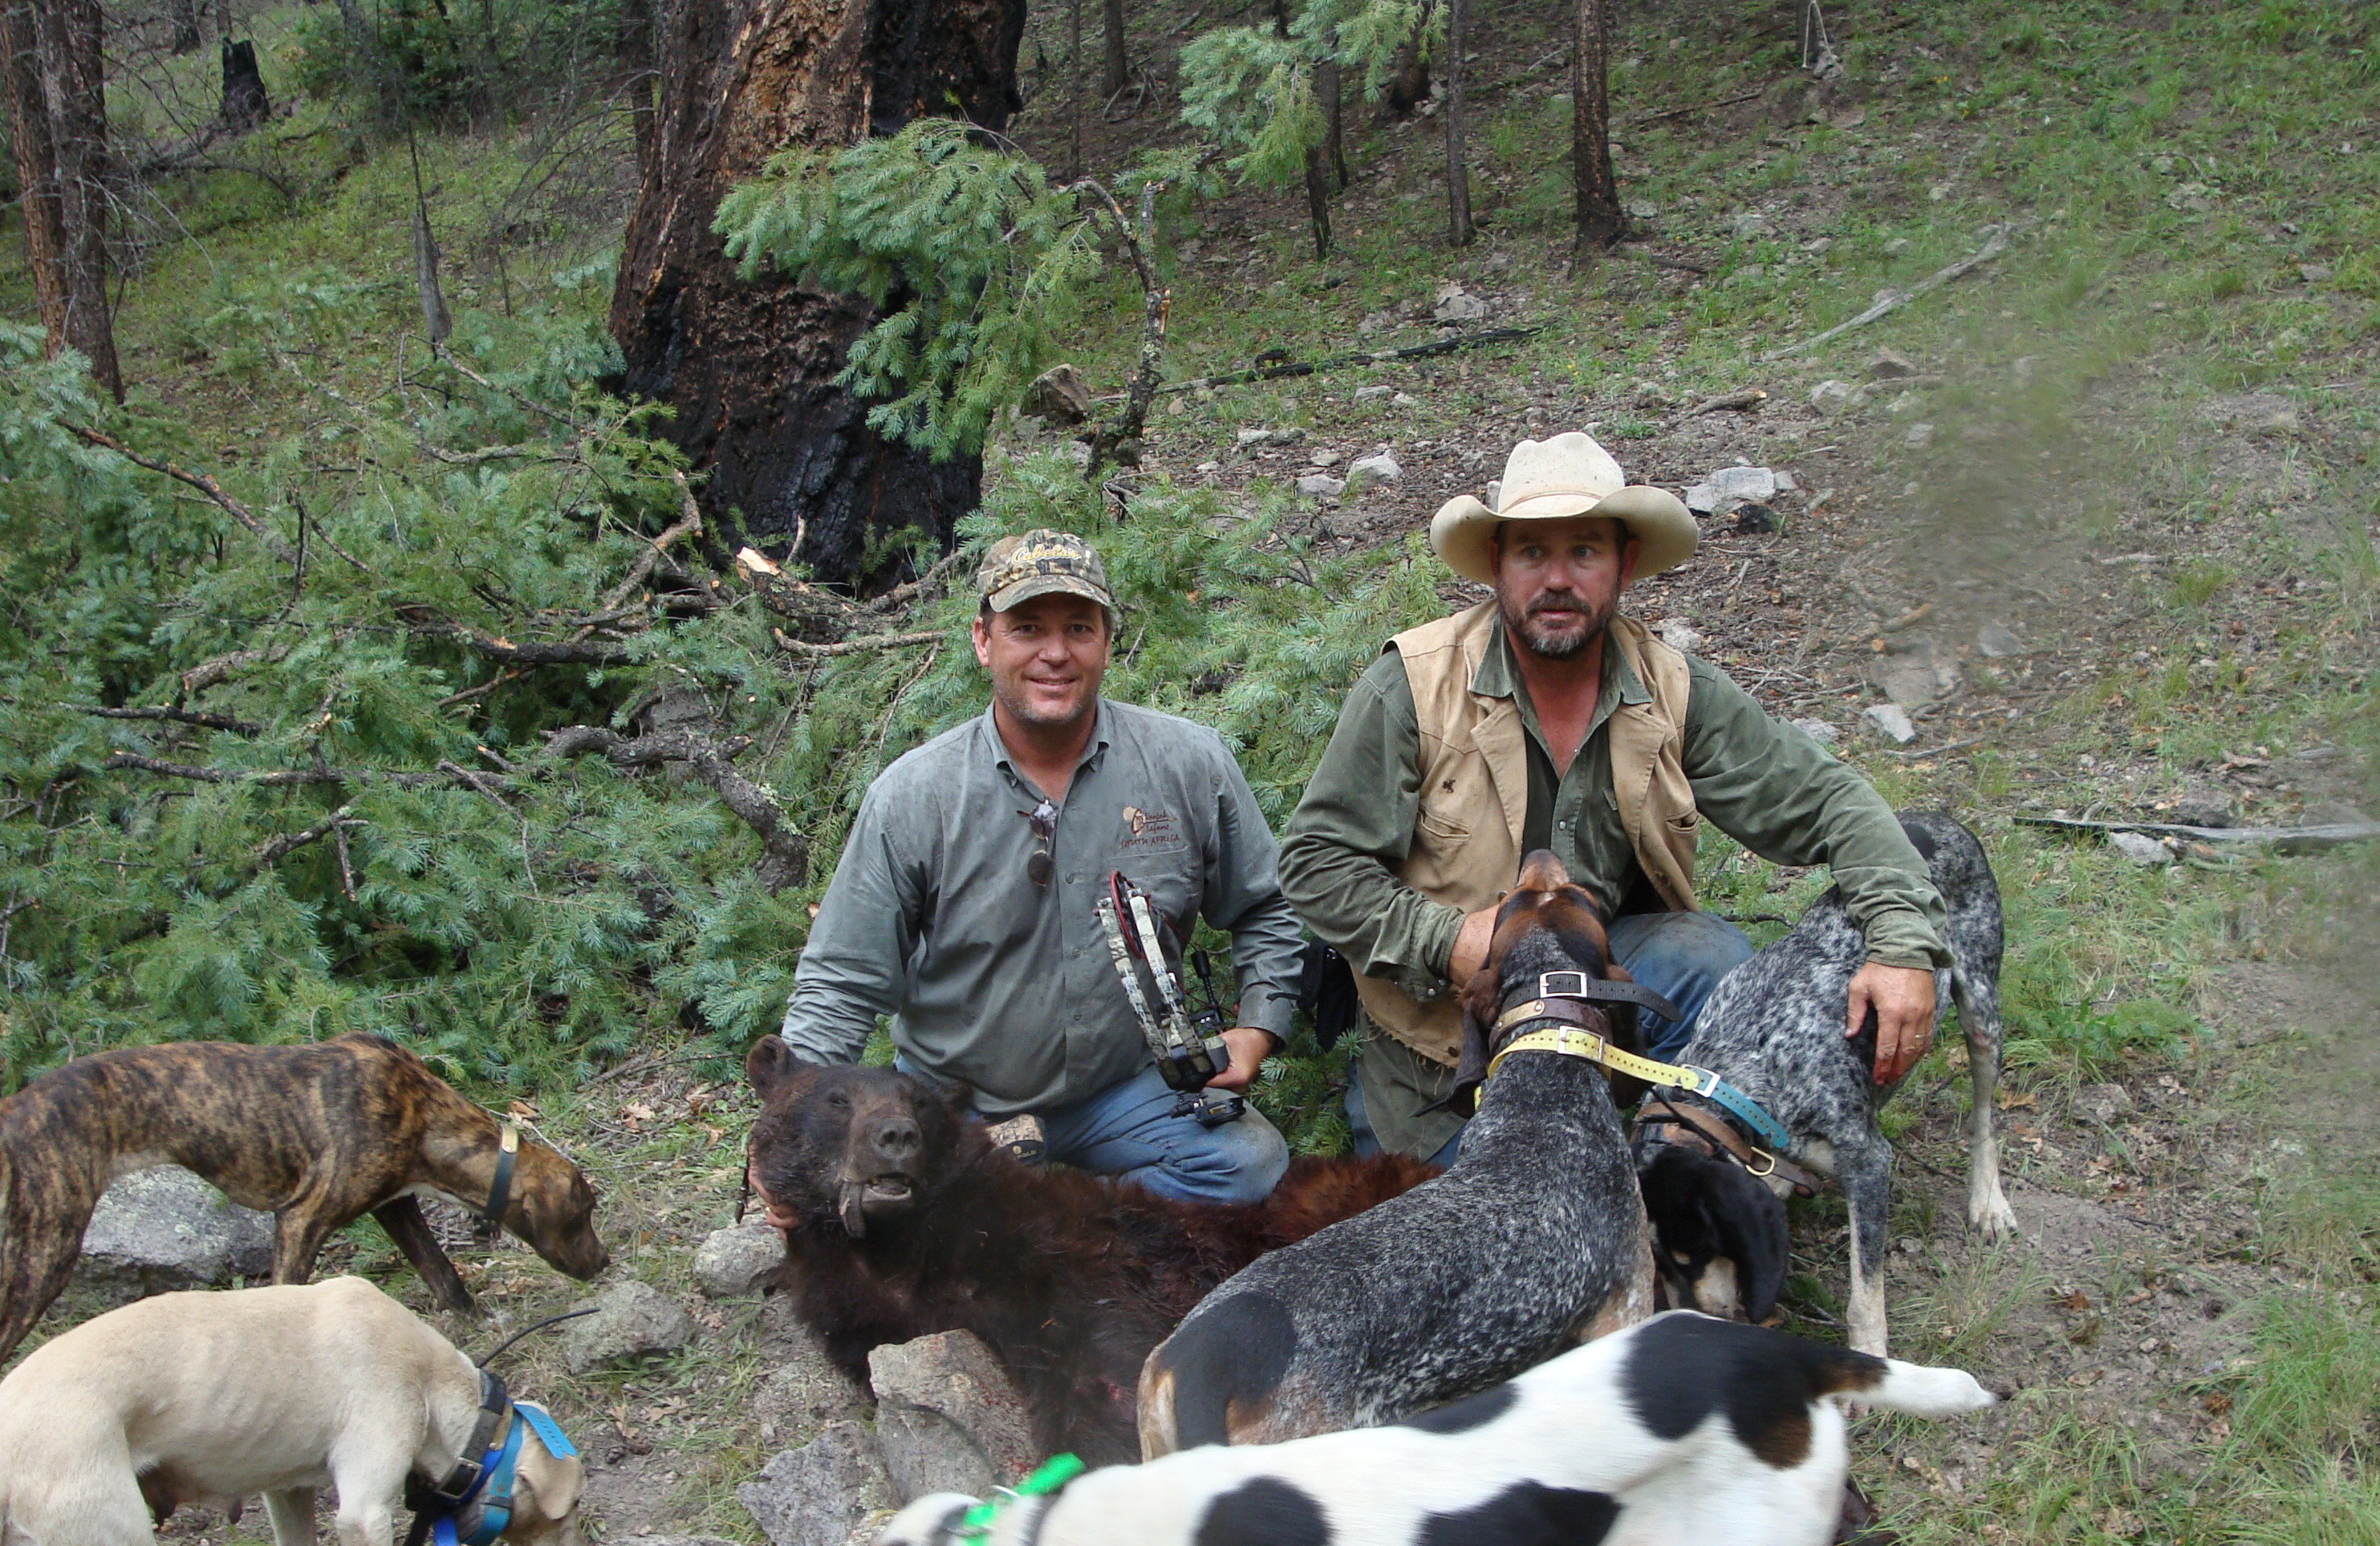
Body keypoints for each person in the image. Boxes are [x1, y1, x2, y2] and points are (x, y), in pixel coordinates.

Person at [1280, 432, 1949, 1163]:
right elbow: (1317, 863)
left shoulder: (1674, 688)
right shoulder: (1411, 685)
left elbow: (1831, 801)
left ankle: (1673, 1142)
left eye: (1585, 552)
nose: (1557, 580)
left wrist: (1902, 949)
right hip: (1447, 1037)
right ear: (1497, 568)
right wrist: (1446, 942)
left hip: (1607, 995)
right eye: (1532, 553)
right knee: (1474, 1227)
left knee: (1708, 955)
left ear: (1624, 564)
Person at [780, 530, 1298, 1203]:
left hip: (1127, 1087)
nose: (1056, 653)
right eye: (1027, 628)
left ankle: (1065, 1226)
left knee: (1247, 1165)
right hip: (953, 1102)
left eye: (1079, 627)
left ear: (1107, 642)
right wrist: (791, 1135)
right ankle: (1019, 1209)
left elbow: (1266, 907)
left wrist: (1258, 1028)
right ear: (983, 641)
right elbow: (841, 980)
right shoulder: (915, 796)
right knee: (895, 1214)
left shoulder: (1188, 765)